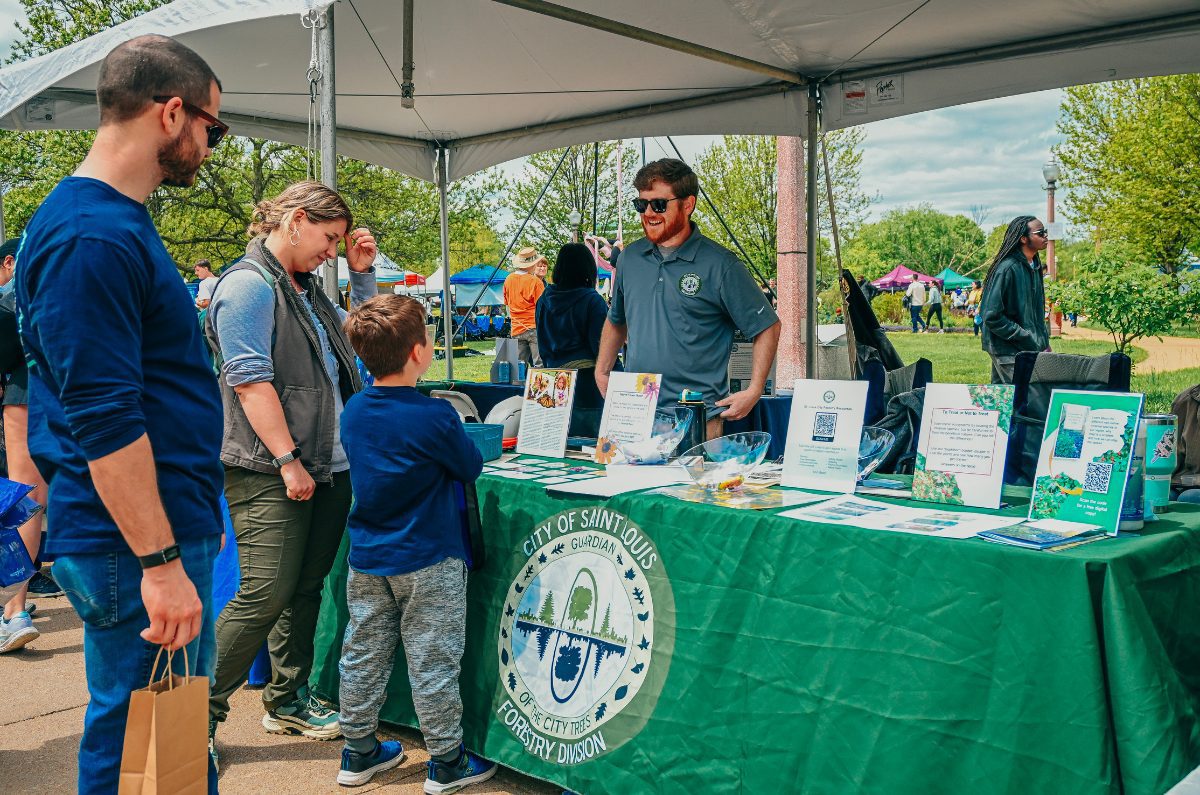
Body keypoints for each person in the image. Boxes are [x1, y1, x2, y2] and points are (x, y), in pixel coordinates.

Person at [15, 35, 227, 793]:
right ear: (173, 113)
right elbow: (105, 418)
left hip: (150, 530)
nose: (210, 145)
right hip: (132, 542)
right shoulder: (90, 235)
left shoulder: (105, 221)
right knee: (141, 745)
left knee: (164, 744)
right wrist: (161, 565)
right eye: (212, 127)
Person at [205, 181, 378, 753]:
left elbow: (363, 349)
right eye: (329, 239)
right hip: (269, 468)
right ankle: (191, 718)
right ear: (296, 220)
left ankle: (288, 701)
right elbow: (250, 381)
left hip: (326, 465)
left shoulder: (303, 288)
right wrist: (287, 461)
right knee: (264, 593)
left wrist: (360, 276)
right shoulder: (250, 285)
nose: (332, 250)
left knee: (303, 589)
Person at [334, 294, 496, 791]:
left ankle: (358, 749)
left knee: (362, 650)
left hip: (369, 555)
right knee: (433, 658)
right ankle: (447, 760)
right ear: (418, 352)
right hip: (429, 556)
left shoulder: (355, 409)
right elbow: (470, 464)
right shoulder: (434, 415)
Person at [596, 158, 781, 440]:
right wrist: (601, 370)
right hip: (634, 412)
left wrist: (755, 389)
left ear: (687, 204)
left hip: (696, 417)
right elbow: (616, 320)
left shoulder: (721, 265)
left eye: (658, 204)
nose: (648, 213)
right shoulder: (630, 259)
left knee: (692, 487)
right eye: (641, 204)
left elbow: (767, 325)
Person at [0, 237, 48, 654]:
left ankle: (14, 610)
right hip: (77, 388)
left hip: (28, 389)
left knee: (27, 498)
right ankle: (14, 608)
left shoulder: (21, 283)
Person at [536, 243, 613, 437]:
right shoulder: (592, 300)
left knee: (557, 448)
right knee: (588, 449)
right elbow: (602, 347)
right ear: (587, 267)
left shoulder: (544, 299)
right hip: (587, 385)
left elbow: (542, 345)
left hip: (551, 380)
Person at [980, 216, 1050, 384]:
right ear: (1023, 238)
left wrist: (1042, 341)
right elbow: (991, 315)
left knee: (1002, 400)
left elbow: (1034, 311)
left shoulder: (1034, 265)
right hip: (1008, 348)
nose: (1045, 236)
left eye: (1045, 232)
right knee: (1024, 397)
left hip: (1025, 346)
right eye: (1040, 233)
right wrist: (1025, 336)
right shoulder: (1007, 269)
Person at [503, 247, 545, 366]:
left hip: (516, 328)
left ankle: (518, 384)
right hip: (533, 327)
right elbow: (542, 307)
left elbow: (506, 302)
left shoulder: (508, 279)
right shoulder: (536, 282)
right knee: (539, 364)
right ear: (533, 264)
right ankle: (538, 385)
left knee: (518, 366)